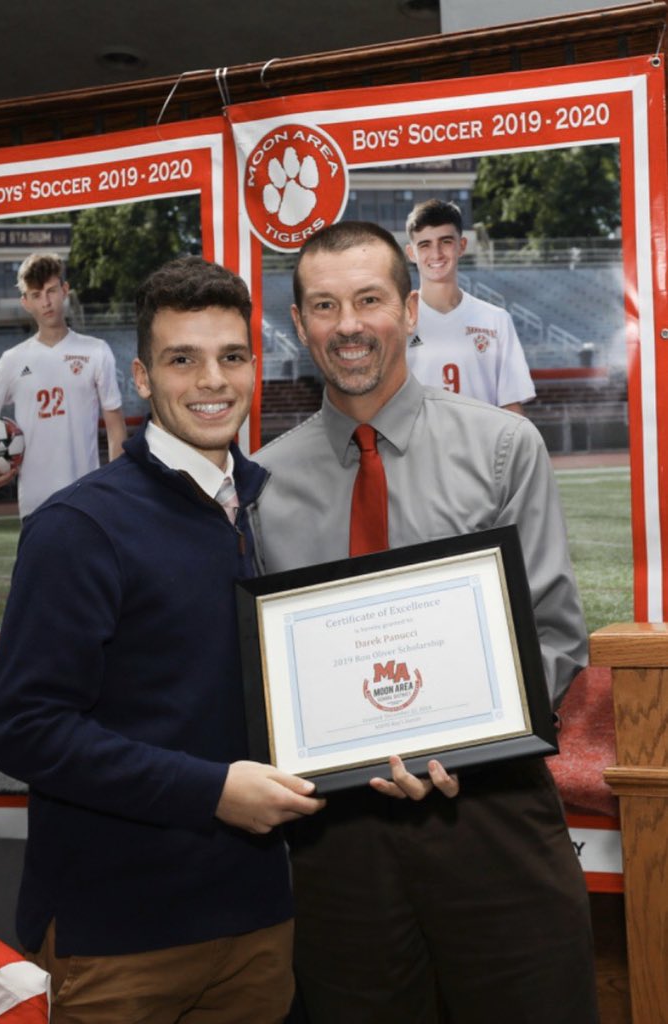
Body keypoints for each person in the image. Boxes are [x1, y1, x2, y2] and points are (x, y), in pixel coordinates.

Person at [252, 221, 598, 1023]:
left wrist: (466, 739)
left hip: (491, 814)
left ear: (410, 310)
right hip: (338, 844)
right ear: (299, 324)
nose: (348, 325)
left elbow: (554, 634)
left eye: (369, 300)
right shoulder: (261, 485)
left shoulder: (502, 447)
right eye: (325, 306)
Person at [0, 256, 324, 1023]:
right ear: (141, 378)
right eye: (183, 360)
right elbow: (24, 728)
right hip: (120, 938)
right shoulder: (80, 526)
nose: (212, 380)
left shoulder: (264, 508)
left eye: (231, 356)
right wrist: (211, 793)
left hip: (258, 916)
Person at [0, 252, 127, 518]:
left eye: (51, 291)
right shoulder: (12, 360)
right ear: (25, 302)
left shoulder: (96, 351)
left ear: (64, 290)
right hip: (35, 505)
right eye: (36, 295)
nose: (46, 302)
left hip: (86, 500)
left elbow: (115, 426)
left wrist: (119, 484)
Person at [405, 198, 535, 414]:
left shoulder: (495, 319)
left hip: (483, 436)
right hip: (420, 437)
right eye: (425, 244)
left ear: (462, 246)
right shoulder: (397, 322)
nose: (436, 253)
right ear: (411, 253)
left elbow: (511, 406)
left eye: (446, 241)